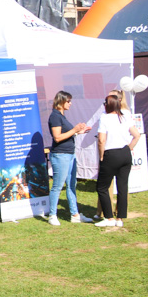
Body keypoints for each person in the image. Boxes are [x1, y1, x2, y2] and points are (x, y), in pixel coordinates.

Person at [47, 91, 92, 226]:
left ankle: (75, 214)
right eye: (68, 101)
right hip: (60, 155)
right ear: (61, 101)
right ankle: (52, 215)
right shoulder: (55, 116)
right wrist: (74, 130)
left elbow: (66, 135)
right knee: (57, 186)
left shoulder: (62, 116)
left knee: (72, 185)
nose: (70, 103)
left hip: (69, 154)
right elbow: (58, 137)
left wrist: (79, 132)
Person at [95, 94, 141, 227]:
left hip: (111, 153)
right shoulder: (125, 115)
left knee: (102, 187)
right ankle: (120, 218)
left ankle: (109, 218)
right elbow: (136, 135)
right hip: (125, 153)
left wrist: (101, 156)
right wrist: (129, 149)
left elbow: (101, 140)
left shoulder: (104, 117)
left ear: (107, 105)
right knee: (122, 187)